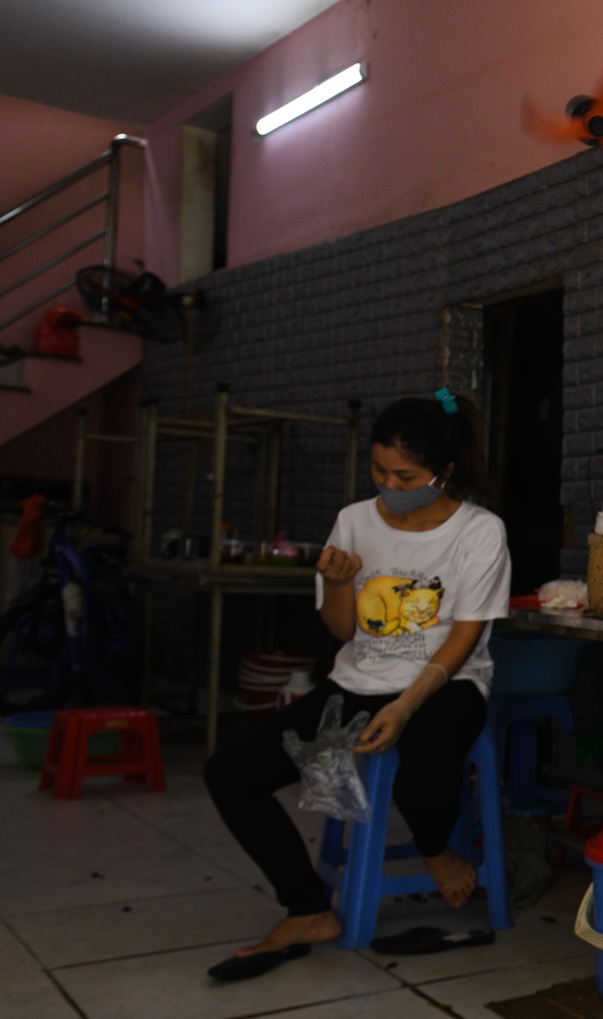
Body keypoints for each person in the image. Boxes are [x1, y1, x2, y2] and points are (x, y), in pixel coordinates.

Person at [203, 390, 511, 981]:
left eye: (406, 475)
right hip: (356, 679)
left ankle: (435, 848)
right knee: (231, 773)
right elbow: (343, 631)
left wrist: (404, 706)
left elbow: (465, 637)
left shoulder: (479, 531)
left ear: (443, 472)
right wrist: (339, 585)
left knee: (424, 777)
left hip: (445, 682)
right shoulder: (353, 521)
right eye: (378, 471)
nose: (390, 486)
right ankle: (308, 909)